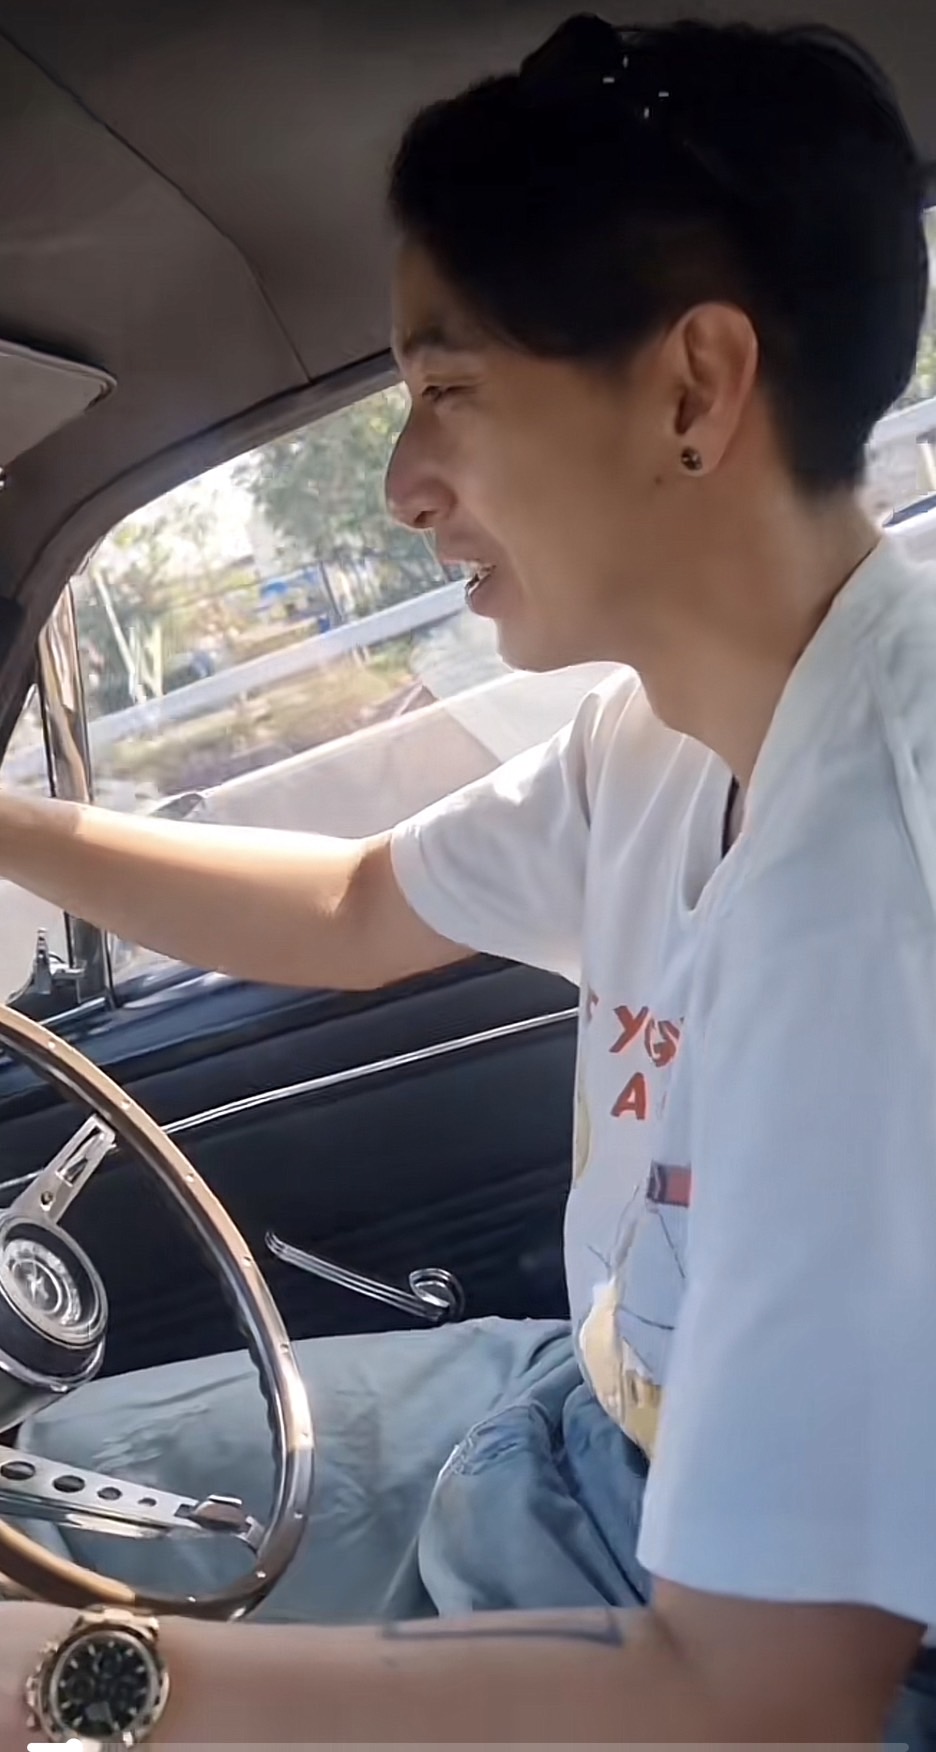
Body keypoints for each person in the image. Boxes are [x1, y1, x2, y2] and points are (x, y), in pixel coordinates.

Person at [1, 11, 935, 1744]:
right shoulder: (659, 740)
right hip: (579, 1421)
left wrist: (68, 1687)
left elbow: (764, 1704)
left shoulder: (882, 888)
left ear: (693, 390)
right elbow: (357, 905)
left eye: (446, 392)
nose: (402, 485)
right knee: (52, 1472)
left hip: (719, 1636)